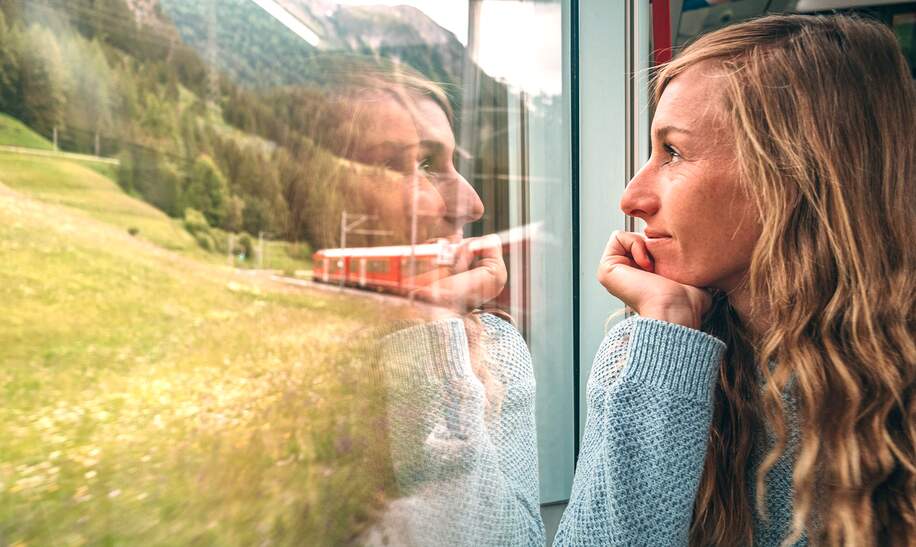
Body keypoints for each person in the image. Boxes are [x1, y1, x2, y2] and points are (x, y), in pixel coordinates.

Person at [369, 12, 914, 547]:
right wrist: (667, 330)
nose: (632, 198)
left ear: (799, 173)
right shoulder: (647, 353)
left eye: (673, 152)